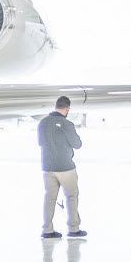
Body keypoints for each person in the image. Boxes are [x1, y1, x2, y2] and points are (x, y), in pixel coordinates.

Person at [39, 96, 86, 239]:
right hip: (65, 167)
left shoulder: (42, 123)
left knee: (50, 198)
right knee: (71, 196)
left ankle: (47, 230)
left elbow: (41, 142)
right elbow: (77, 144)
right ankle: (73, 228)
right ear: (67, 108)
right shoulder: (67, 124)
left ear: (56, 106)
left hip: (47, 167)